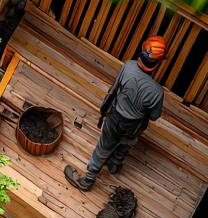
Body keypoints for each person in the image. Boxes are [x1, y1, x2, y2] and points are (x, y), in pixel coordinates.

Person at [65, 36, 167, 191]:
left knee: (104, 146)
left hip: (116, 117)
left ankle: (88, 180)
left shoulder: (128, 66)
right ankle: (114, 165)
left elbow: (113, 90)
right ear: (157, 63)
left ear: (141, 52)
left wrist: (103, 110)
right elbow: (154, 116)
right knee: (126, 143)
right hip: (134, 125)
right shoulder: (157, 92)